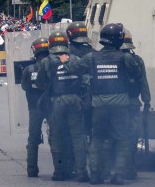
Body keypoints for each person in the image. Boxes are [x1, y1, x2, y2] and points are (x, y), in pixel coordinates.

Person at [59, 23, 140, 185]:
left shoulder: (92, 57)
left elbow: (74, 69)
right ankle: (118, 174)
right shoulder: (125, 58)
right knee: (122, 138)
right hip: (120, 104)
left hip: (99, 104)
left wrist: (65, 61)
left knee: (97, 138)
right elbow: (136, 73)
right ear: (118, 39)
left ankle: (96, 175)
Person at [36, 31, 88, 182]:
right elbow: (85, 81)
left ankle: (59, 172)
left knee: (57, 137)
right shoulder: (76, 59)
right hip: (75, 100)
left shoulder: (47, 61)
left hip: (57, 102)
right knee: (77, 137)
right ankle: (81, 172)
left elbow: (40, 83)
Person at [120, 29, 151, 180]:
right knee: (132, 136)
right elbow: (143, 82)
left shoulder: (112, 59)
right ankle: (129, 167)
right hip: (133, 102)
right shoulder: (137, 60)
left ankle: (119, 167)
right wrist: (147, 101)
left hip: (117, 103)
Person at [21, 37, 49, 177]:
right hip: (51, 105)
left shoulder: (28, 69)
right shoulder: (53, 66)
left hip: (34, 106)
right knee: (57, 136)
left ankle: (32, 169)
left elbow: (24, 86)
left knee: (33, 139)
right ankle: (61, 171)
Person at [66, 21, 95, 144]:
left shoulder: (65, 53)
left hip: (71, 92)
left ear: (69, 34)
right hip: (93, 94)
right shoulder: (94, 51)